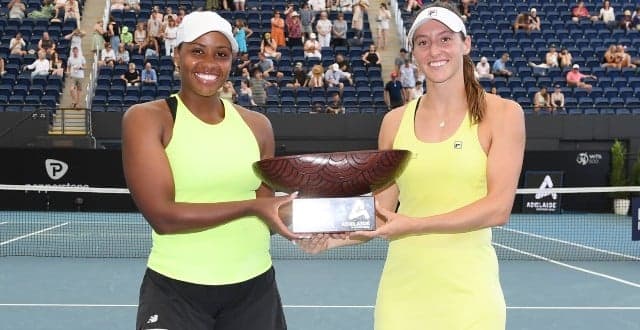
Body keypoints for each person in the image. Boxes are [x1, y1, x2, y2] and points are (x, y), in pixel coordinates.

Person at [297, 3, 525, 330]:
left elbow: (497, 208)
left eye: (445, 39)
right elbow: (380, 210)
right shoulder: (394, 122)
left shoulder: (504, 114)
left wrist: (414, 225)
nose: (435, 49)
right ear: (413, 53)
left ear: (466, 44)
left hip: (471, 300)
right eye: (423, 42)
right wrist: (328, 236)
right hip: (401, 299)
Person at [121, 11, 298, 330]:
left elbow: (268, 217)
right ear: (177, 56)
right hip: (175, 294)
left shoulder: (258, 127)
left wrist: (316, 223)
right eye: (197, 51)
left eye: (221, 54)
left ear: (232, 61)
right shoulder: (147, 119)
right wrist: (253, 206)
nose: (209, 64)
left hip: (255, 291)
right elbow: (163, 217)